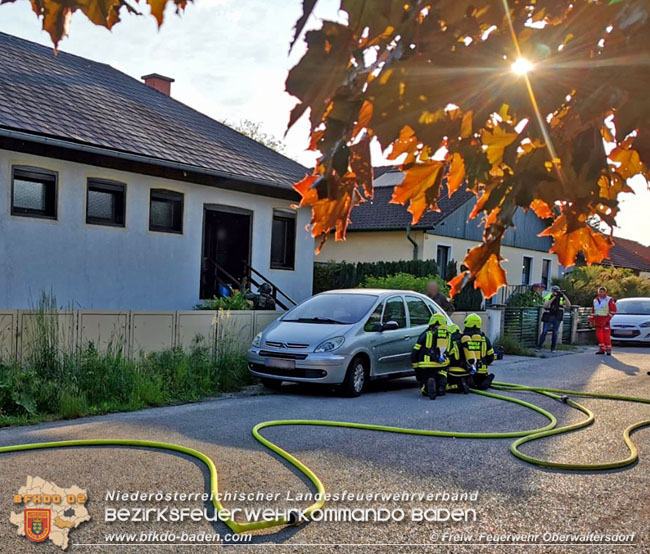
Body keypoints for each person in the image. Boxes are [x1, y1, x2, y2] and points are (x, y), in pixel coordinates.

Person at [411, 313, 450, 400]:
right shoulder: (447, 335)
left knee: (426, 378)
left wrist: (416, 367)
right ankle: (441, 387)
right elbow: (451, 351)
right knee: (442, 374)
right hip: (442, 364)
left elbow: (415, 352)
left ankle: (427, 387)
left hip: (426, 364)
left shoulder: (424, 335)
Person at [461, 313, 496, 390]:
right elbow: (491, 357)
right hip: (482, 373)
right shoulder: (485, 339)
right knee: (481, 383)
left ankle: (467, 383)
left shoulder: (464, 338)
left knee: (466, 382)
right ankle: (487, 379)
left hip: (467, 371)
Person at [537, 285, 571, 351]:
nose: (555, 292)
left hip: (557, 317)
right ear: (552, 291)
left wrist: (563, 295)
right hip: (548, 316)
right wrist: (554, 297)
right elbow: (546, 304)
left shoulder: (561, 297)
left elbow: (568, 305)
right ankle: (539, 346)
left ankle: (553, 348)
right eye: (554, 291)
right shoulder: (549, 295)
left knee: (555, 333)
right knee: (544, 331)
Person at [445, 324, 472, 394]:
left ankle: (457, 386)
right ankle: (465, 383)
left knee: (445, 386)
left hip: (453, 372)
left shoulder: (449, 341)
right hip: (467, 371)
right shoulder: (465, 340)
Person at [590, 286, 617, 355]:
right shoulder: (595, 300)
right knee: (599, 335)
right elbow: (594, 310)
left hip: (605, 319)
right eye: (599, 292)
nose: (601, 293)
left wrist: (607, 319)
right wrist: (592, 318)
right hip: (597, 319)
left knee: (606, 335)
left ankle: (608, 349)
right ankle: (602, 349)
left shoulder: (609, 299)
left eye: (602, 292)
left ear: (605, 292)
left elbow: (613, 310)